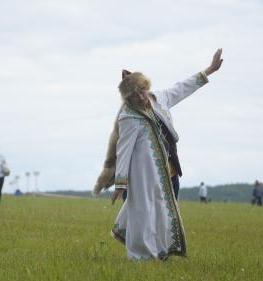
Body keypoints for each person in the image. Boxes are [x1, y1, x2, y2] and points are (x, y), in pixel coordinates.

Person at [93, 49, 223, 260]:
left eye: (143, 91)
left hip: (170, 172)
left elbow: (182, 88)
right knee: (143, 215)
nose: (142, 97)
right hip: (143, 177)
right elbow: (123, 150)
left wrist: (209, 70)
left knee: (164, 214)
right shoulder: (128, 117)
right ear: (130, 97)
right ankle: (141, 257)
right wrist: (120, 183)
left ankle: (161, 253)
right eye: (136, 95)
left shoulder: (158, 99)